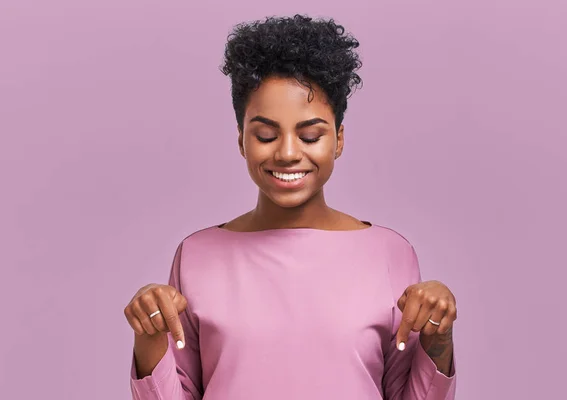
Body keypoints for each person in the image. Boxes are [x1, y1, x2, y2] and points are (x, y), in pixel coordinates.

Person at [124, 14, 457, 400]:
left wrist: (439, 339)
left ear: (338, 140)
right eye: (265, 135)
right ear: (241, 140)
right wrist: (148, 336)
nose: (286, 153)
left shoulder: (391, 253)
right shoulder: (196, 255)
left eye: (310, 135)